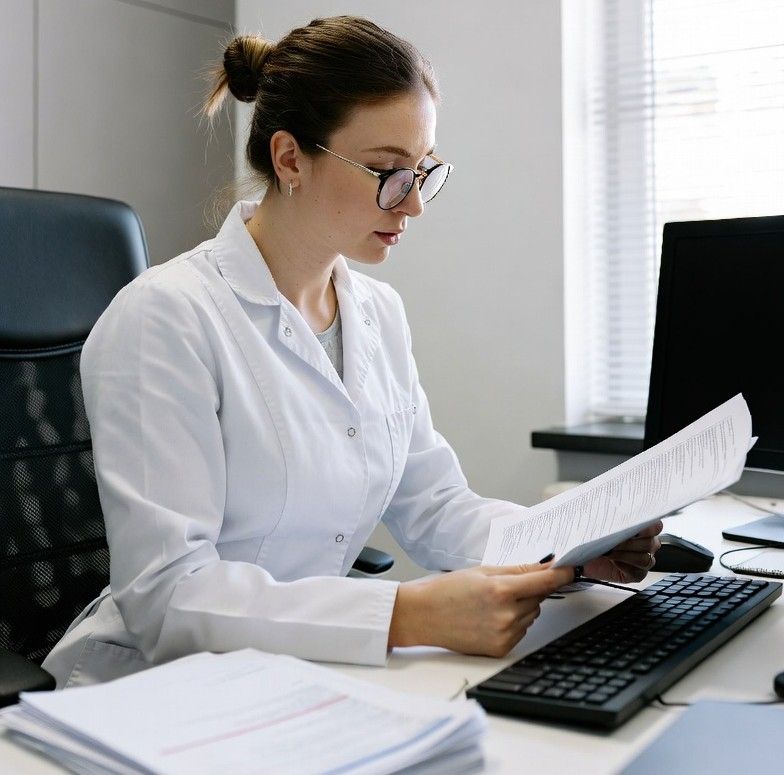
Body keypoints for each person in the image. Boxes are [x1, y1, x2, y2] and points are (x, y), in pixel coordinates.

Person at [42, 16, 662, 688]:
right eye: (389, 172)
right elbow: (168, 597)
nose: (414, 204)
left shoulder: (377, 315)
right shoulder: (166, 317)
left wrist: (569, 542)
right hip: (147, 692)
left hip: (303, 679)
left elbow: (435, 505)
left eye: (423, 170)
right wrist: (406, 613)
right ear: (289, 160)